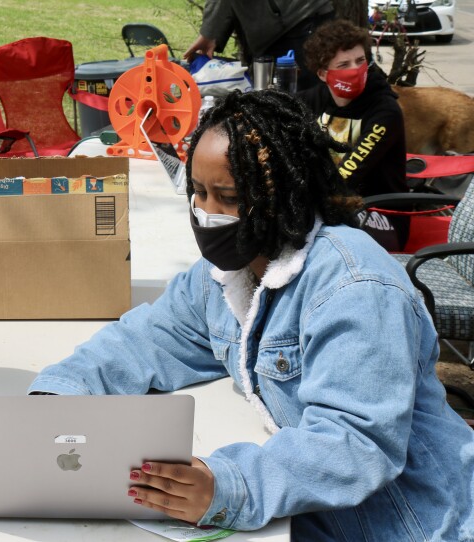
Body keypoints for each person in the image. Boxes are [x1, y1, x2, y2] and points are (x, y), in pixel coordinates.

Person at [28, 90, 474, 540]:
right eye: (198, 192)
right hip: (310, 510)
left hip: (409, 521)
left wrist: (230, 485)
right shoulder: (226, 272)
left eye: (227, 197)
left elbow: (356, 443)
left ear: (282, 195)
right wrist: (62, 394)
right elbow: (149, 337)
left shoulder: (356, 290)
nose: (206, 213)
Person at [298, 18, 407, 197]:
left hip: (381, 209)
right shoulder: (311, 100)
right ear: (322, 74)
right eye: (344, 65)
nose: (356, 70)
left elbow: (347, 175)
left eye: (360, 61)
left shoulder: (385, 111)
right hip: (332, 202)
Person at [183, 0, 334, 92]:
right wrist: (212, 33)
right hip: (285, 22)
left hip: (295, 19)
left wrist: (209, 33)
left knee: (303, 103)